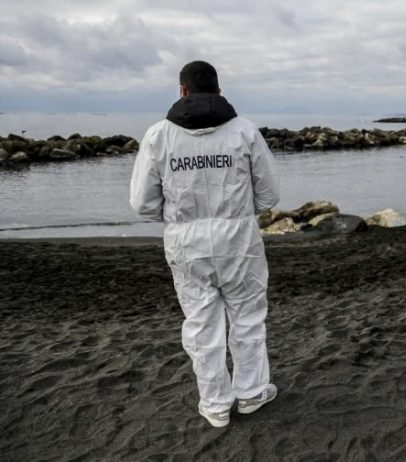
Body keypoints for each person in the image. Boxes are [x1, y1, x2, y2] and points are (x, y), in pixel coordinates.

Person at [130, 60, 280, 428]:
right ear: (219, 90)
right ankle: (251, 391)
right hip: (239, 239)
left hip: (186, 243)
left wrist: (179, 218)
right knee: (247, 317)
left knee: (201, 323)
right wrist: (241, 213)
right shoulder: (244, 132)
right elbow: (270, 194)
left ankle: (214, 403)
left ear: (182, 90)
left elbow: (143, 203)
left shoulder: (159, 136)